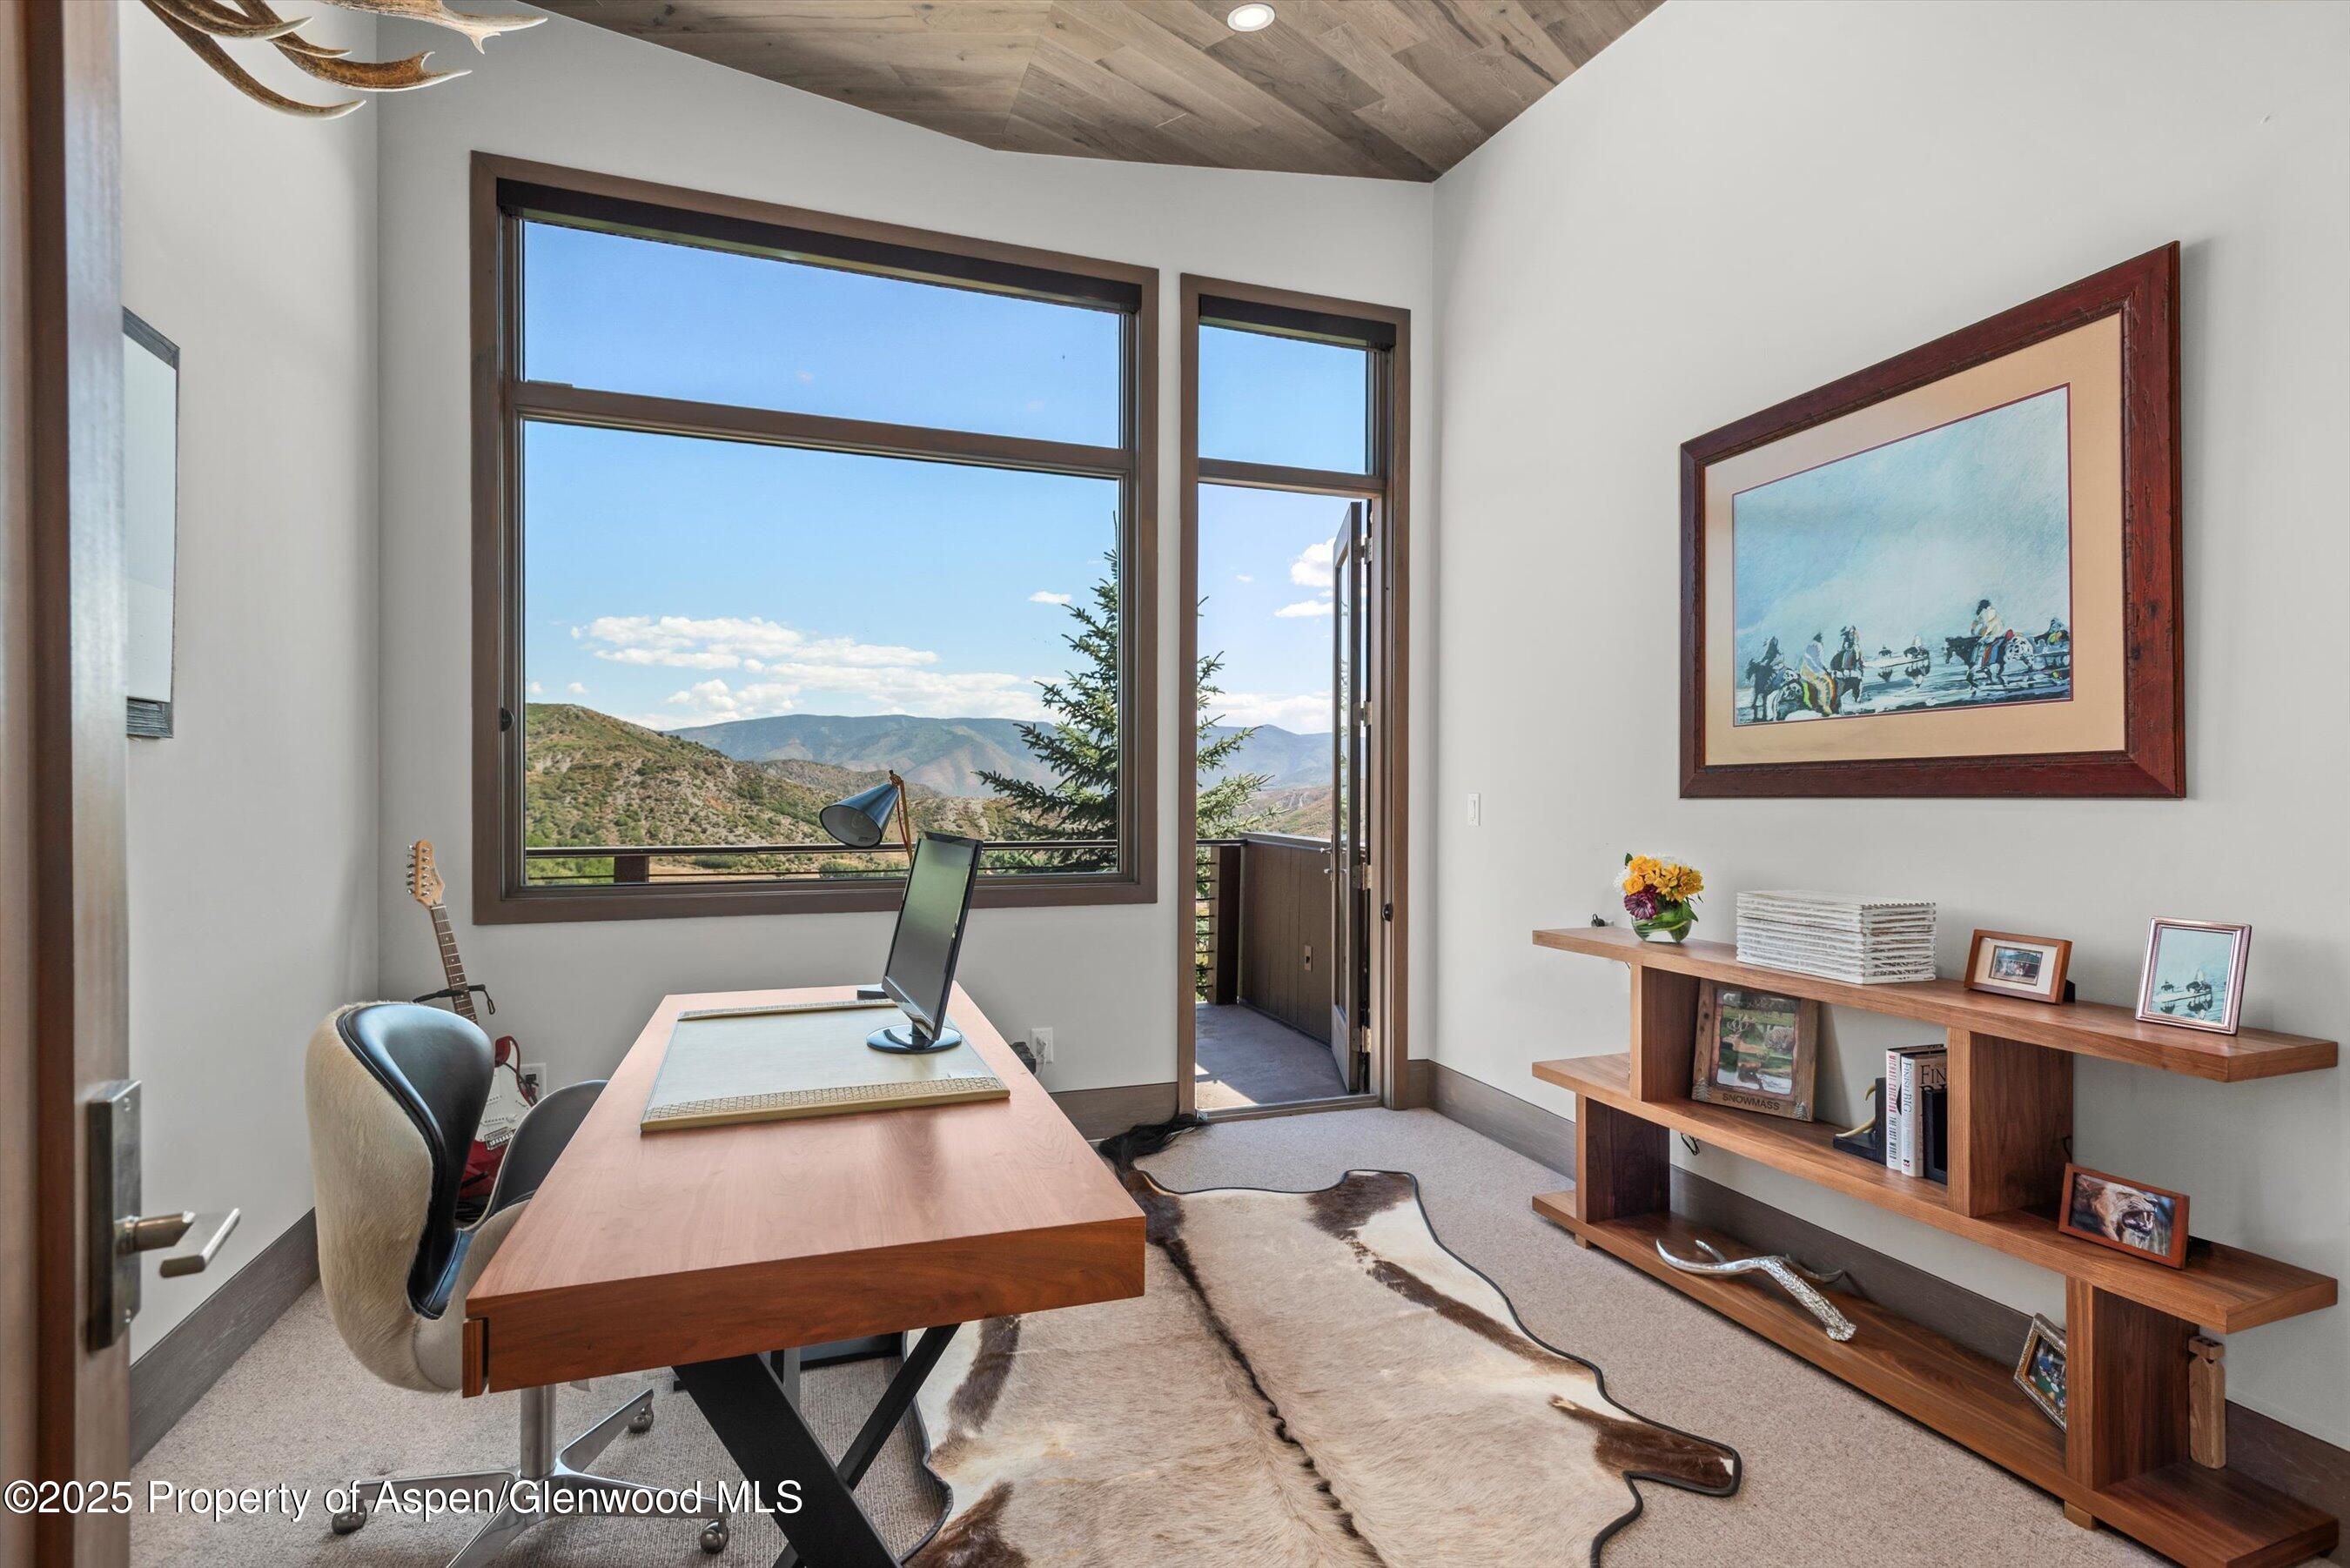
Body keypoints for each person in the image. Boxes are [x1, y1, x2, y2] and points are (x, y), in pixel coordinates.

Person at [1800, 630, 1836, 714]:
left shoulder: (1809, 645)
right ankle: (1825, 707)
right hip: (1813, 671)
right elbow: (1820, 661)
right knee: (1827, 684)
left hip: (1806, 671)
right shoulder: (1818, 645)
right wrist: (1826, 670)